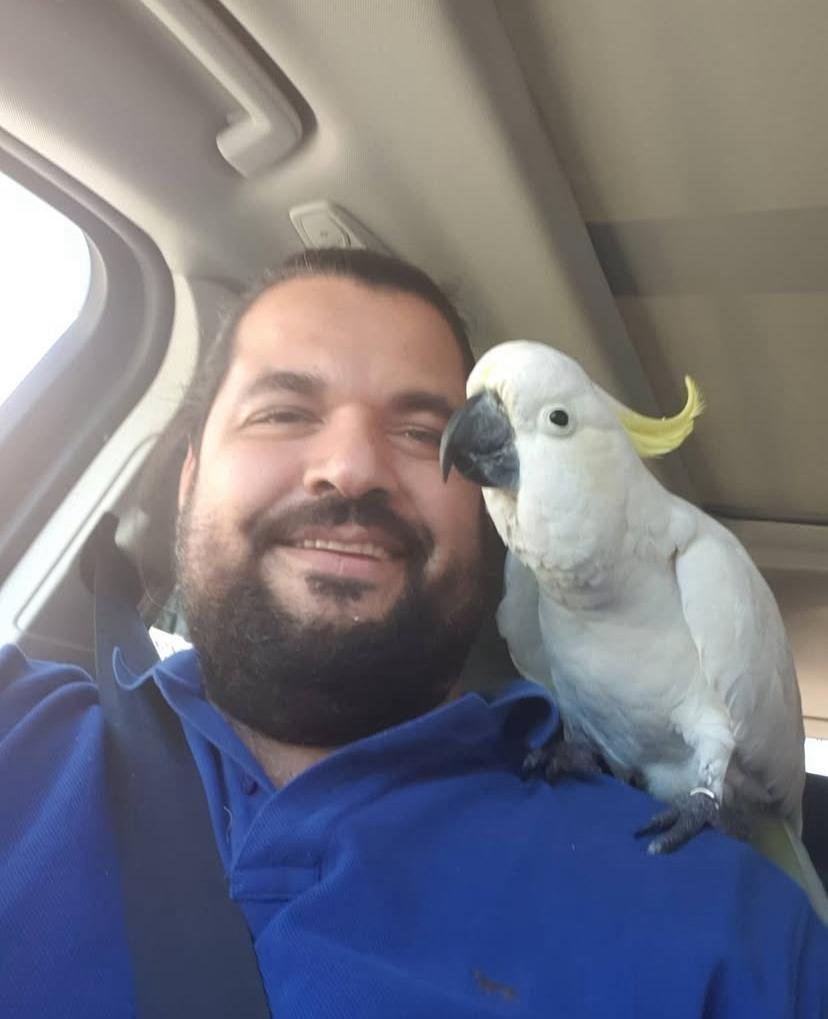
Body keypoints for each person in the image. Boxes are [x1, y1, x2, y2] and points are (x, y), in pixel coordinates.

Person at [1, 248, 826, 1017]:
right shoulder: (21, 729)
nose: (352, 468)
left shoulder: (741, 934)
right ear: (186, 479)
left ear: (473, 510)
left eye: (422, 435)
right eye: (285, 410)